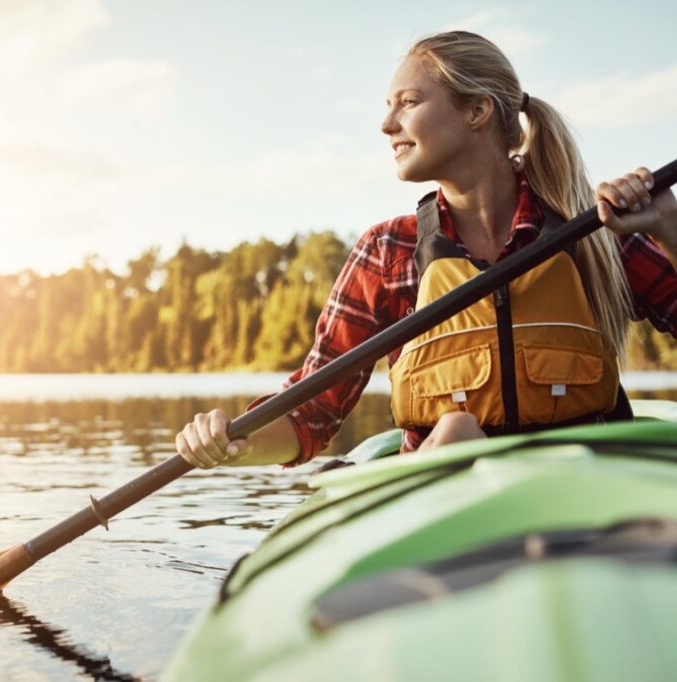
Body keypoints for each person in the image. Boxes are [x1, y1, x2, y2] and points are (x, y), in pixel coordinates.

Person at [176, 30, 677, 470]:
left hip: (586, 487)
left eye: (408, 102)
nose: (386, 124)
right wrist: (230, 443)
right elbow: (312, 415)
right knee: (456, 429)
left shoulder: (593, 230)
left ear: (477, 110)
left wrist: (669, 230)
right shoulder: (387, 253)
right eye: (388, 105)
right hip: (444, 502)